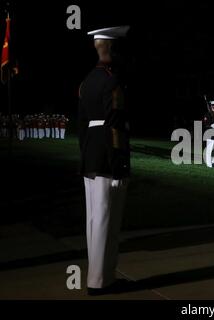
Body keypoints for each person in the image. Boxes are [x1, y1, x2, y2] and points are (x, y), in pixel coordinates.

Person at [78, 25, 131, 295]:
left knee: (94, 219)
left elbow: (82, 123)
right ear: (110, 48)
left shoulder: (87, 80)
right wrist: (119, 161)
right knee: (106, 220)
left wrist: (85, 155)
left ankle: (103, 277)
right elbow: (114, 123)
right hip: (108, 156)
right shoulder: (112, 79)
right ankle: (99, 281)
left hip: (91, 155)